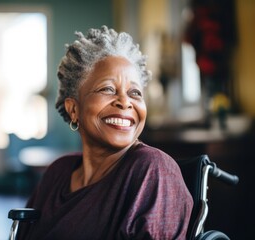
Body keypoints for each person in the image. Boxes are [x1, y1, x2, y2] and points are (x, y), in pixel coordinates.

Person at [17, 26, 193, 240]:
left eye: (135, 93)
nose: (125, 102)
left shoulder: (152, 170)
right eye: (108, 89)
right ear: (74, 109)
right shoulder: (58, 172)